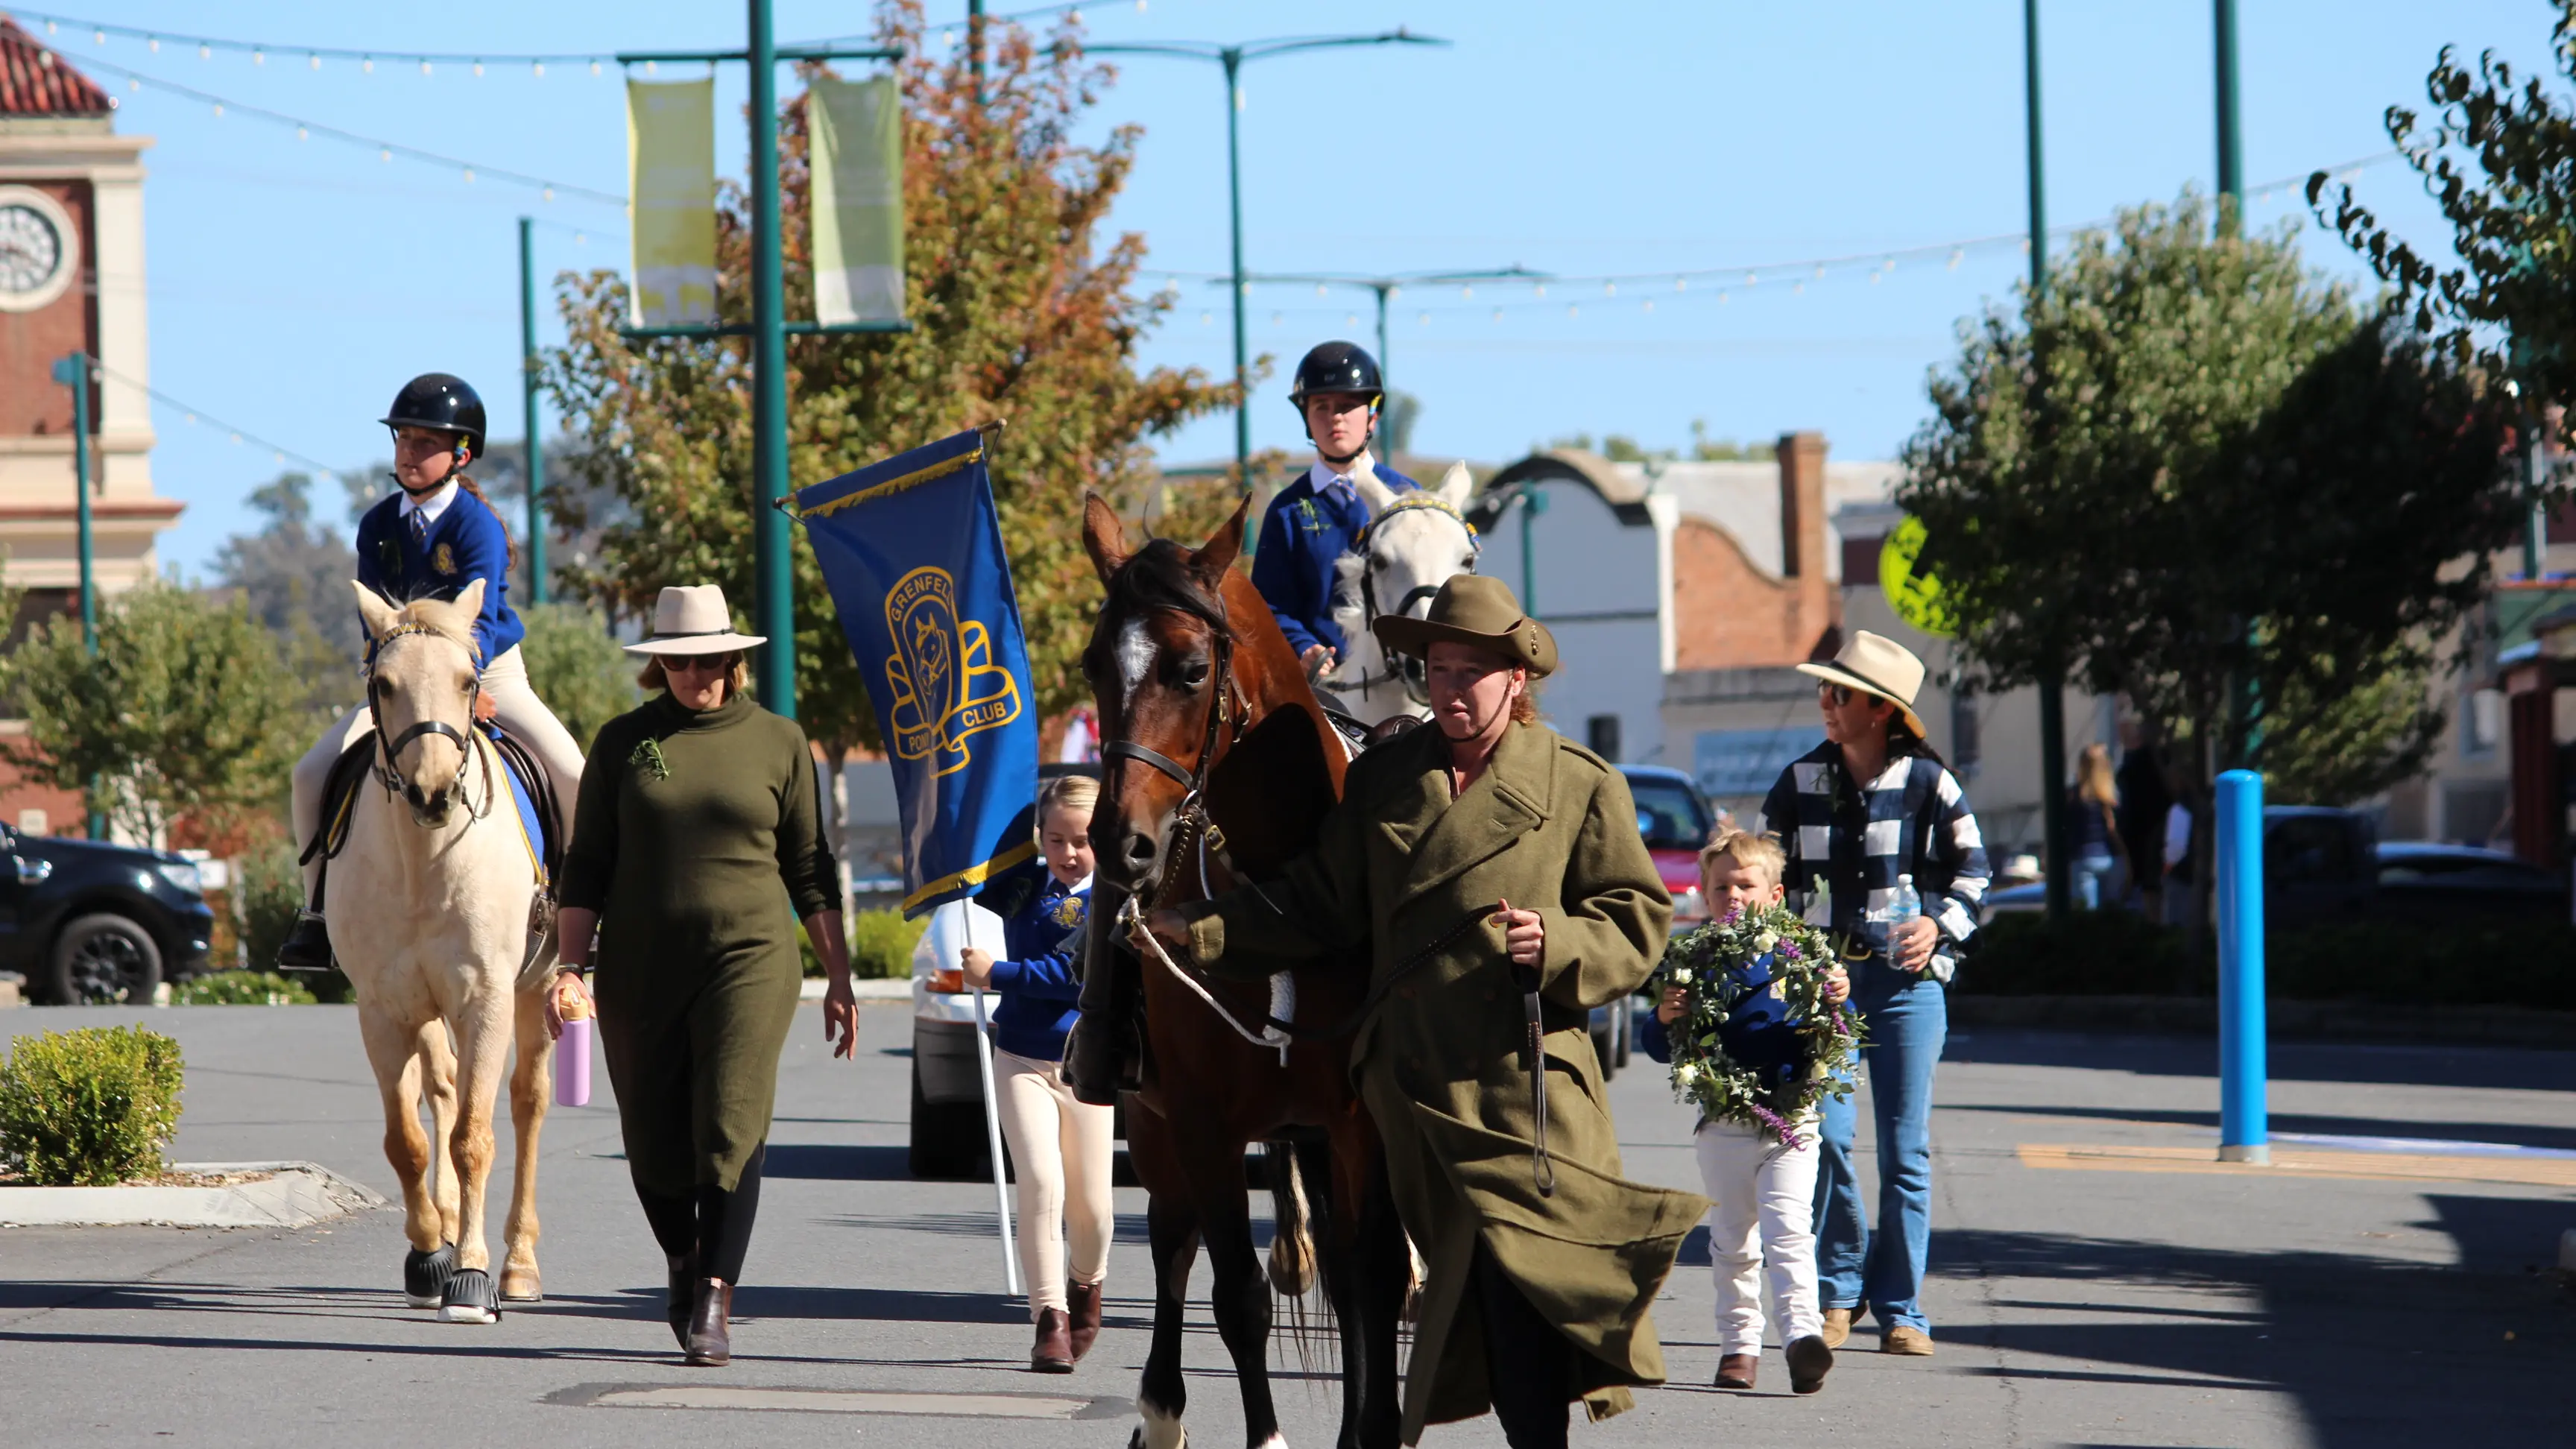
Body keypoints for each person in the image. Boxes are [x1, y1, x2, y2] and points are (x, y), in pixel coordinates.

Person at [1141, 575, 1706, 1449]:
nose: (1451, 688)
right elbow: (1319, 901)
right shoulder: (1386, 782)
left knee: (1521, 1309)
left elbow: (1637, 918)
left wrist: (1557, 943)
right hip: (1409, 1090)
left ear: (1516, 679)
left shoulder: (1579, 783)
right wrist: (1200, 930)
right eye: (1438, 668)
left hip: (1526, 1091)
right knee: (1472, 1300)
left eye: (1471, 671)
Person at [544, 584, 859, 1368]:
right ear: (658, 663)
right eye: (678, 661)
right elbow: (588, 866)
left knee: (729, 1123)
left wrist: (839, 976)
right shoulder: (623, 742)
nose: (696, 674)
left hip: (749, 960)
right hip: (639, 968)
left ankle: (716, 1295)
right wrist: (569, 967)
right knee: (651, 1141)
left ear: (735, 659)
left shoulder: (781, 742)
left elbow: (809, 871)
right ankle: (681, 1263)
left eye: (710, 659)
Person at [279, 373, 585, 970]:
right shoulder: (377, 525)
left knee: (574, 773)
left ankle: (580, 914)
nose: (408, 454)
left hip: (487, 674)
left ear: (461, 453)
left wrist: (467, 690)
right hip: (400, 686)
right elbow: (374, 614)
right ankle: (316, 911)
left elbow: (488, 614)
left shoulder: (476, 524)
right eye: (402, 441)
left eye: (424, 444)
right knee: (308, 774)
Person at [1761, 630, 1989, 1357]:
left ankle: (1902, 1310)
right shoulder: (1799, 783)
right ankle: (1840, 1289)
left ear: (1882, 710)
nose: (1826, 702)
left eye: (1842, 692)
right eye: (1824, 689)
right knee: (1823, 1136)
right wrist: (1771, 951)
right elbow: (1768, 876)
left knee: (1905, 1151)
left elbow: (1975, 874)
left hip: (1906, 986)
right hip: (1819, 985)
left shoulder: (1930, 783)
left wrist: (1938, 924)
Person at [1638, 829, 1849, 1396]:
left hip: (1792, 1121)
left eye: (1745, 884)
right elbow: (1658, 1047)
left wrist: (1838, 998)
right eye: (1721, 886)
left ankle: (1804, 1338)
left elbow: (1840, 1031)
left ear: (1774, 895)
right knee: (1732, 1242)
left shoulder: (1801, 956)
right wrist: (1663, 1017)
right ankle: (1739, 1347)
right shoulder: (1693, 959)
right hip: (1724, 1126)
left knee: (1789, 1231)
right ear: (1705, 897)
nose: (1733, 895)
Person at [958, 774, 1111, 1374]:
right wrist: (993, 767)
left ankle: (1087, 1285)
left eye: (1082, 840)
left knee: (1094, 1210)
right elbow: (976, 854)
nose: (1068, 854)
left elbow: (1074, 974)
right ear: (1039, 838)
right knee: (1042, 1185)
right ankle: (1050, 1318)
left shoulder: (1116, 898)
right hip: (1019, 1055)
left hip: (1086, 1062)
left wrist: (996, 973)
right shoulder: (1023, 881)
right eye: (1055, 839)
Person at [1250, 341, 1418, 686]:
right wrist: (1302, 646)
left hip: (1406, 683)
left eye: (1346, 405)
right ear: (1307, 418)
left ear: (1373, 415)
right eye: (1321, 407)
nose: (1335, 417)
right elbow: (1269, 605)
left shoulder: (1410, 499)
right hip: (1324, 691)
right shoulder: (1286, 510)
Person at [2067, 743, 2124, 911]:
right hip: (2112, 859)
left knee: (2087, 919)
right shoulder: (2113, 797)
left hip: (2084, 858)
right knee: (2113, 918)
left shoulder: (2074, 796)